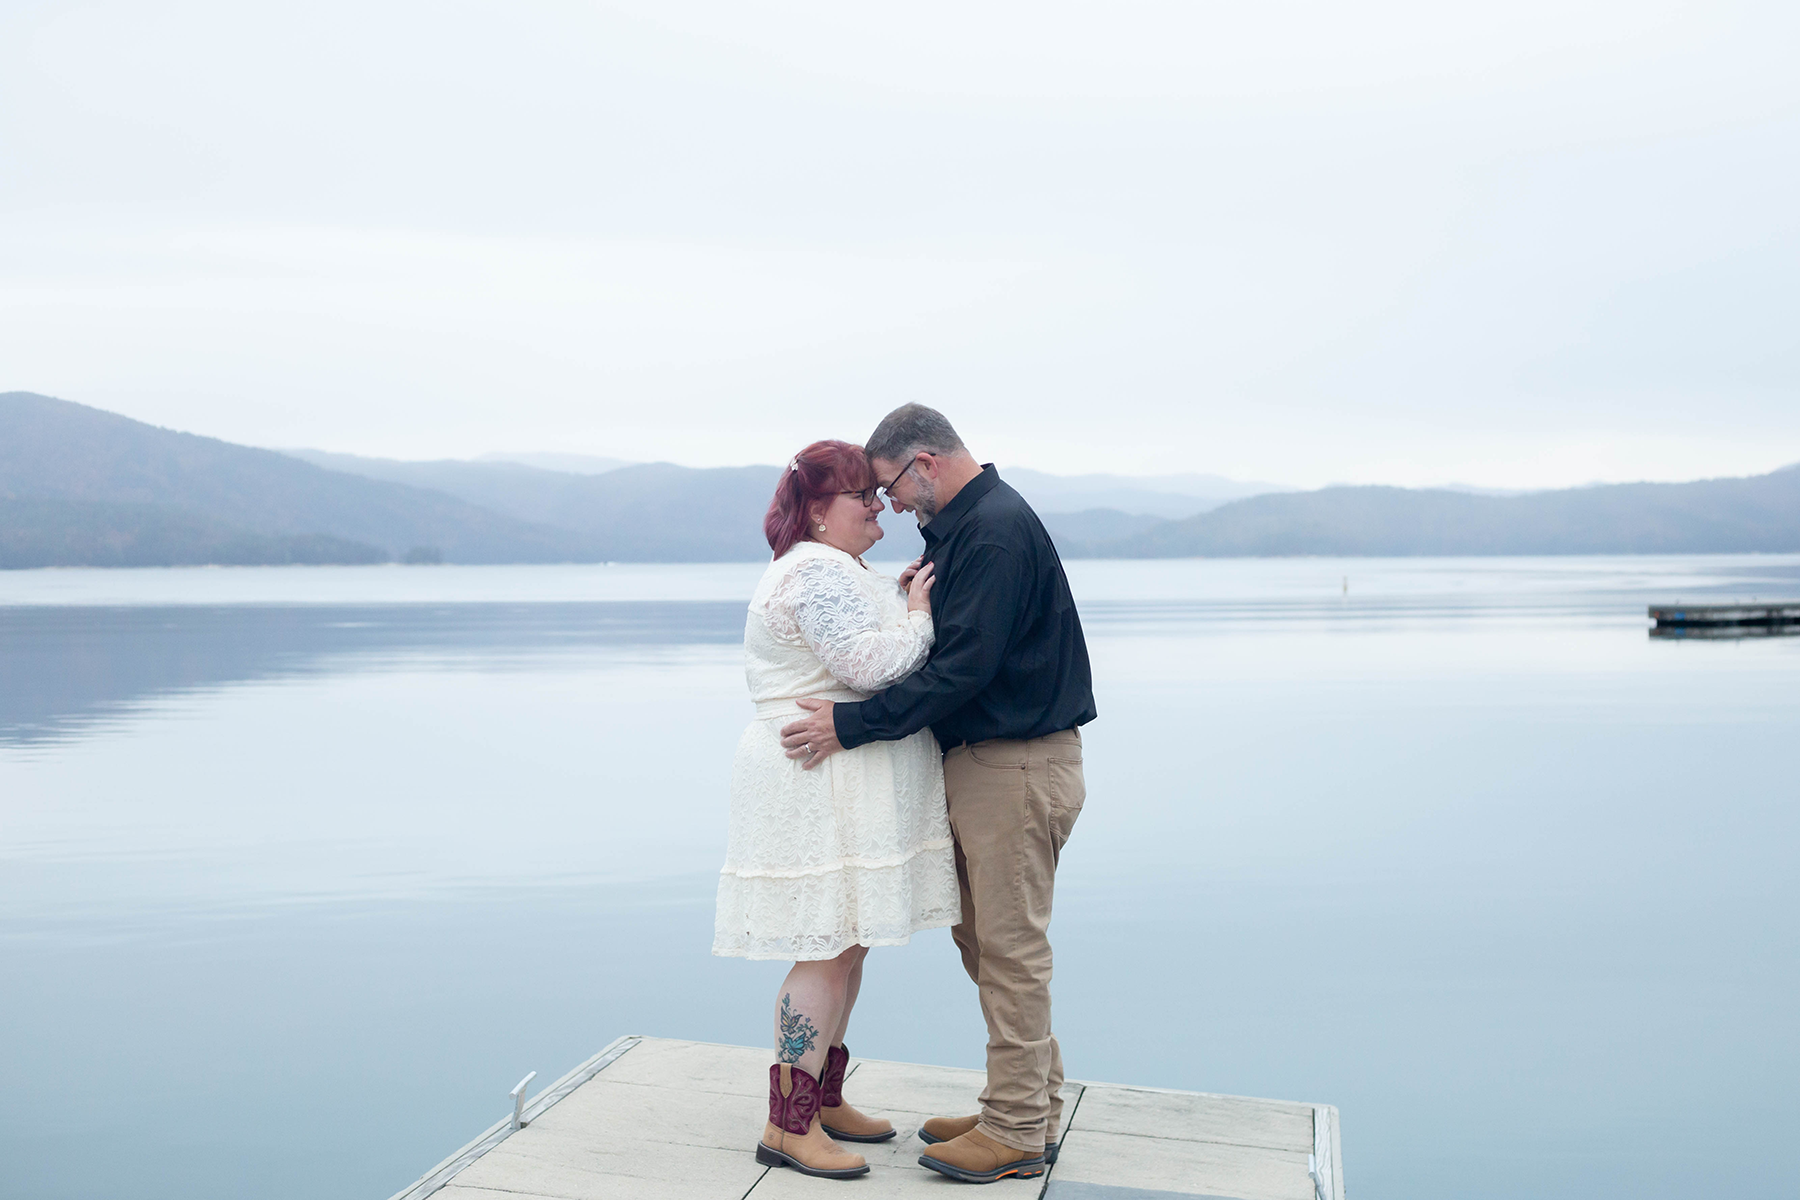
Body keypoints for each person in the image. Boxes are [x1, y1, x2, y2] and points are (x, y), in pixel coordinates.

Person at [779, 403, 1097, 1185]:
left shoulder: (991, 530)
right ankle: (1023, 1102)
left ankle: (1018, 1130)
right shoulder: (967, 529)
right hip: (992, 763)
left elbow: (961, 672)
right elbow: (948, 647)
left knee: (1011, 951)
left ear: (924, 462)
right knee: (985, 944)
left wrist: (851, 727)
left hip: (1015, 764)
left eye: (889, 487)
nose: (888, 505)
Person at [713, 438, 961, 1181]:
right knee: (825, 943)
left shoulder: (834, 567)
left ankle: (820, 1096)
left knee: (846, 940)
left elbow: (858, 635)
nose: (880, 507)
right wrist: (919, 616)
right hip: (815, 780)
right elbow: (872, 664)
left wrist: (901, 589)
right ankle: (786, 1123)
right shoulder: (813, 571)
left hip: (837, 779)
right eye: (864, 497)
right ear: (820, 512)